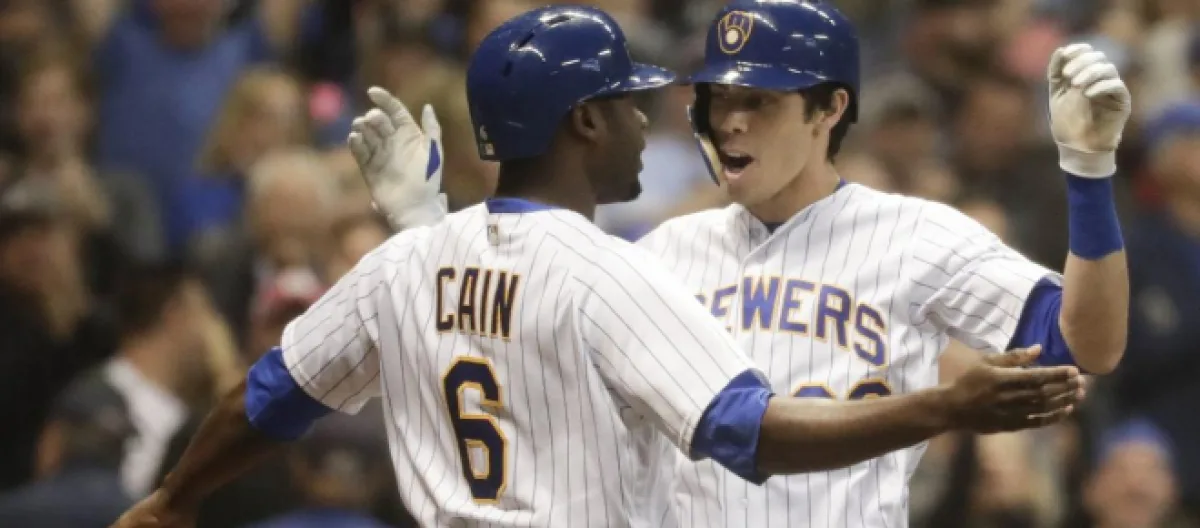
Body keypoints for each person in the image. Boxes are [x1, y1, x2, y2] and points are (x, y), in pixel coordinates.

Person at [110, 5, 1083, 528]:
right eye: (627, 104)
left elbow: (266, 398)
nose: (649, 122)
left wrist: (170, 500)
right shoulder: (615, 274)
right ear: (582, 122)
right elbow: (754, 434)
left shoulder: (407, 259)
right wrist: (942, 407)